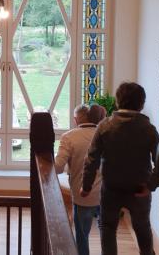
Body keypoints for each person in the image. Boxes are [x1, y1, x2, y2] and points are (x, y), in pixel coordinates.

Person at [81, 82, 159, 255]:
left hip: (111, 188)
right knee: (142, 227)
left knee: (108, 228)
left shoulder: (104, 126)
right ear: (141, 104)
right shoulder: (148, 129)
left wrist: (86, 186)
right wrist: (151, 185)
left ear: (118, 102)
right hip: (139, 189)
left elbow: (92, 158)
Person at [55, 104, 102, 255]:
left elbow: (58, 167)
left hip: (83, 195)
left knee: (82, 235)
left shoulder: (69, 137)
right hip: (106, 193)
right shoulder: (106, 134)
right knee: (107, 233)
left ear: (76, 120)